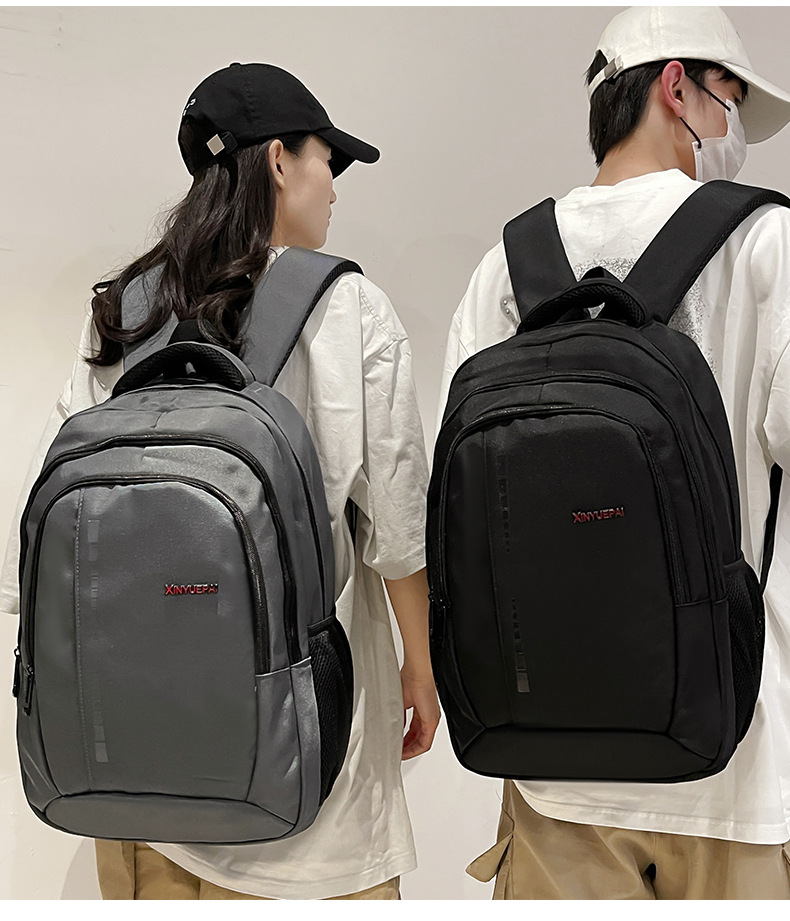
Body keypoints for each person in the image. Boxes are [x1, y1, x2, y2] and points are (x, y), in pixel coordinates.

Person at [0, 62, 440, 900]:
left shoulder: (125, 310)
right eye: (328, 161)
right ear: (278, 160)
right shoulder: (350, 310)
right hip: (309, 808)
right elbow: (398, 530)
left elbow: (35, 544)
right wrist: (420, 669)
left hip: (135, 801)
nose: (334, 188)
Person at [437, 6, 790, 900]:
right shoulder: (768, 242)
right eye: (731, 100)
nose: (735, 130)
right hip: (735, 756)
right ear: (678, 87)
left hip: (552, 767)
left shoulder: (505, 267)